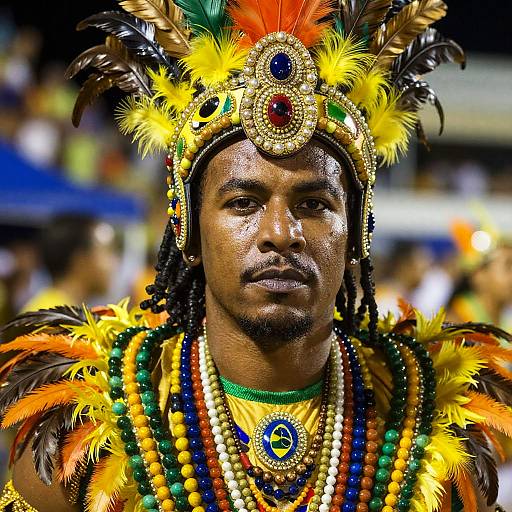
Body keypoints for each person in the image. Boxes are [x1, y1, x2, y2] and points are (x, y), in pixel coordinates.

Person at [0, 2, 511, 512]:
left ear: (357, 233)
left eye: (314, 204)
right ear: (189, 230)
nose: (280, 233)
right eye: (242, 203)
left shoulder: (439, 427)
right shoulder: (85, 428)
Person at [22, 214, 117, 311]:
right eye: (108, 251)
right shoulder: (52, 318)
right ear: (81, 260)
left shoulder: (56, 311)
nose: (114, 262)